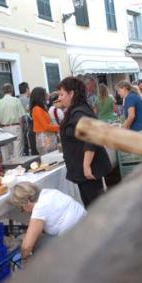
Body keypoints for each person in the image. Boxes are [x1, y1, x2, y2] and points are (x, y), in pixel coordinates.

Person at [57, 76, 112, 208]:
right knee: (92, 206)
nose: (59, 98)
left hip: (88, 171)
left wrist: (86, 166)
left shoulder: (79, 112)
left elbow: (92, 138)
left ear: (72, 94)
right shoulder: (76, 110)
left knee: (96, 208)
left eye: (62, 94)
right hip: (82, 171)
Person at [10, 182, 86, 261]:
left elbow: (27, 247)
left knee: (37, 244)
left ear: (26, 202)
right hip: (85, 223)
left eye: (22, 208)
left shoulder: (39, 209)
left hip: (74, 240)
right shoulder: (49, 192)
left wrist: (23, 258)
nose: (23, 211)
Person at [0, 83, 26, 162]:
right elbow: (21, 117)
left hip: (4, 128)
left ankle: (8, 170)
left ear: (2, 91)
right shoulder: (16, 100)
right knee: (18, 152)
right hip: (15, 126)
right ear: (11, 90)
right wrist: (21, 128)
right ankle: (18, 169)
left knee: (6, 153)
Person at [30, 87, 59, 155]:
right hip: (45, 138)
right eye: (45, 94)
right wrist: (59, 127)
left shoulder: (40, 108)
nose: (47, 96)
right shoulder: (37, 109)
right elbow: (46, 126)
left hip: (46, 137)